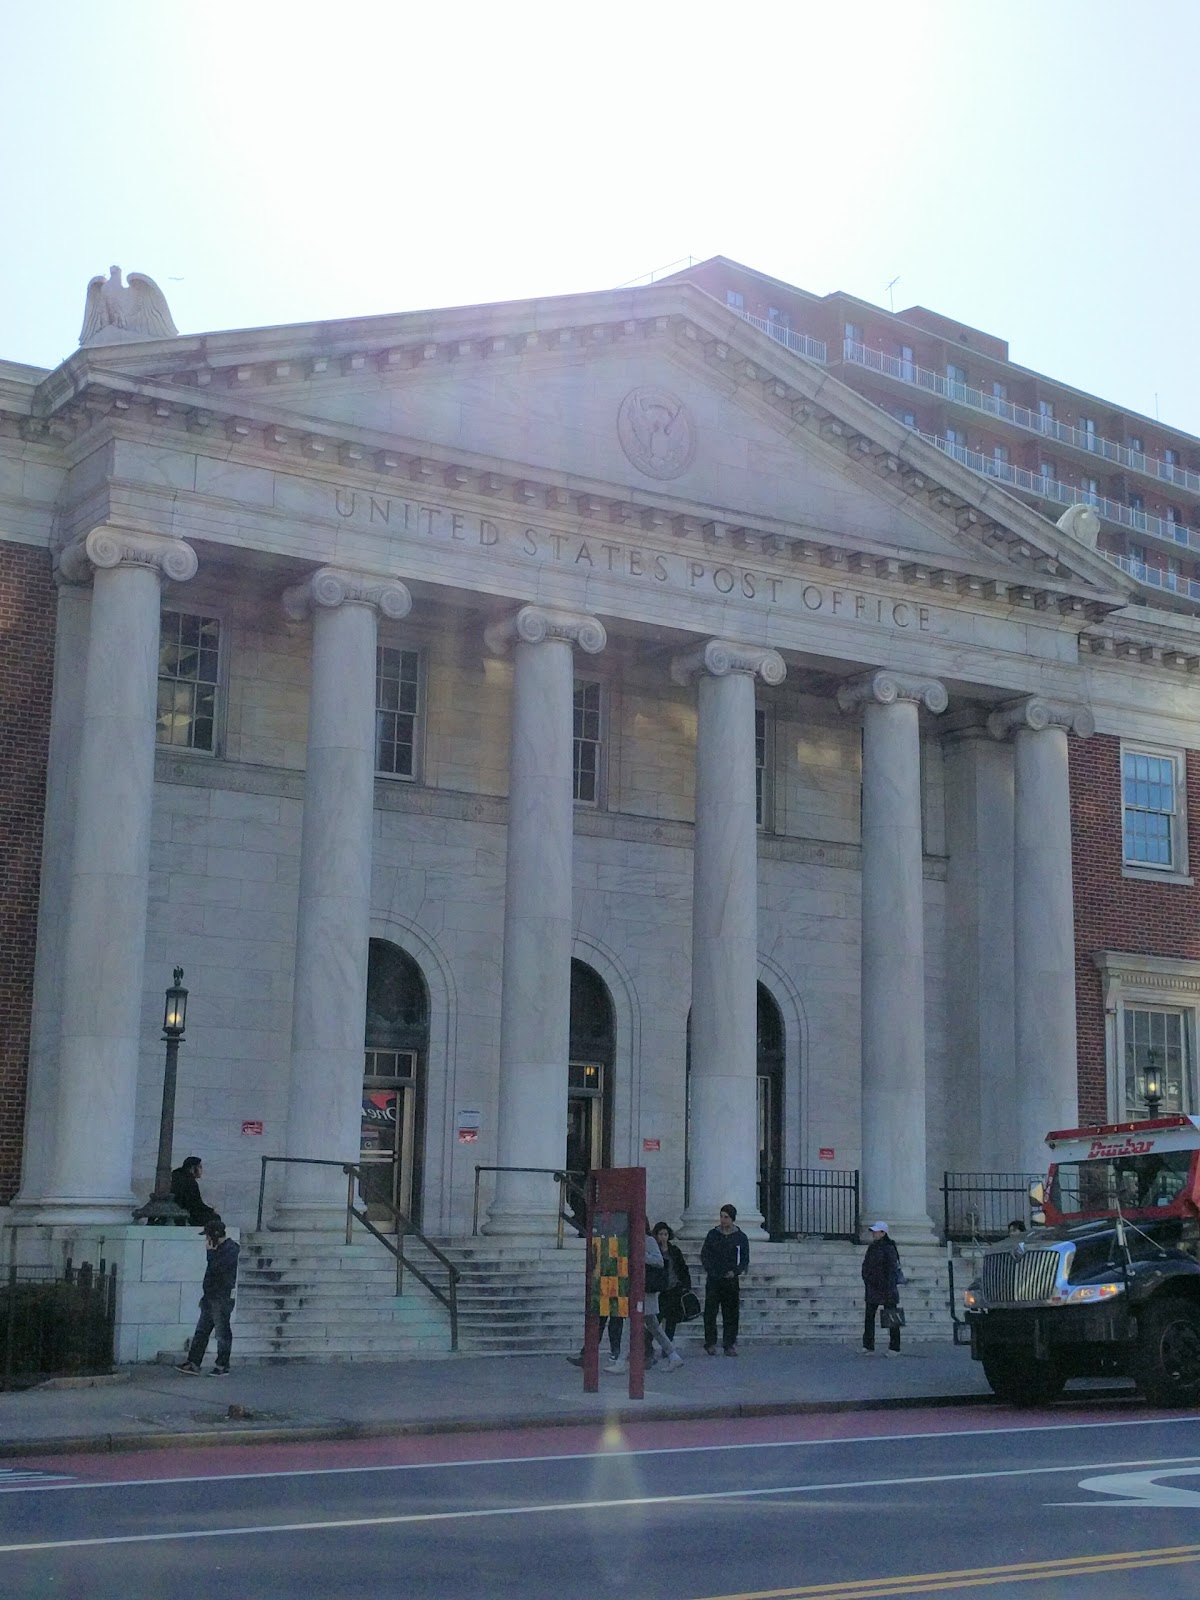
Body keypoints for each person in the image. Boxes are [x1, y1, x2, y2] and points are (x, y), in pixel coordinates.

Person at [606, 1226, 684, 1373]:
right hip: (635, 1287)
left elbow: (659, 1261)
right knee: (654, 1326)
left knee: (631, 1323)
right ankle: (674, 1356)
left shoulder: (648, 1240)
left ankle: (622, 1361)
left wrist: (640, 1256)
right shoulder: (628, 1240)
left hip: (646, 1289)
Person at [176, 1220, 240, 1375]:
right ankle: (193, 1362)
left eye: (208, 1236)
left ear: (215, 1236)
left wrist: (211, 1253)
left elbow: (217, 1269)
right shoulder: (219, 1249)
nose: (206, 1240)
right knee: (201, 1331)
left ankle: (222, 1365)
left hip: (222, 1297)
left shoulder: (231, 1249)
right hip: (210, 1296)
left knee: (221, 1332)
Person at [700, 1203, 749, 1356]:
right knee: (710, 1312)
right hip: (714, 1279)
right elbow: (705, 1255)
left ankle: (729, 1343)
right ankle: (710, 1342)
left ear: (732, 1218)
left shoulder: (740, 1237)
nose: (723, 1220)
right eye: (721, 1216)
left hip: (730, 1280)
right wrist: (711, 1270)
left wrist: (735, 1271)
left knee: (731, 1313)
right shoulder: (713, 1234)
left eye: (726, 1217)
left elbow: (744, 1259)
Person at [861, 1221, 902, 1356]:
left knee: (891, 1317)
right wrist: (867, 1279)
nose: (874, 1233)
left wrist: (887, 1285)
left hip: (886, 1287)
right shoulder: (873, 1247)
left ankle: (894, 1347)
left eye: (876, 1231)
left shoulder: (889, 1247)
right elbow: (866, 1265)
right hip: (873, 1287)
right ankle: (868, 1345)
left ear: (883, 1233)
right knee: (869, 1317)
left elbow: (891, 1269)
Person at [652, 1221, 692, 1346]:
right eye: (660, 1234)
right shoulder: (655, 1251)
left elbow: (682, 1268)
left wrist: (685, 1286)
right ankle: (648, 1346)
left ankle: (667, 1347)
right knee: (654, 1321)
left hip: (674, 1289)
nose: (663, 1237)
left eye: (665, 1234)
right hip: (660, 1290)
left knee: (671, 1321)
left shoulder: (674, 1251)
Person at [170, 1156, 220, 1227]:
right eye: (200, 1167)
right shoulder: (190, 1182)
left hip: (182, 1211)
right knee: (215, 1218)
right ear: (193, 1168)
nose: (201, 1170)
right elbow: (195, 1204)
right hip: (188, 1214)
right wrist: (211, 1210)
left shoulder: (177, 1177)